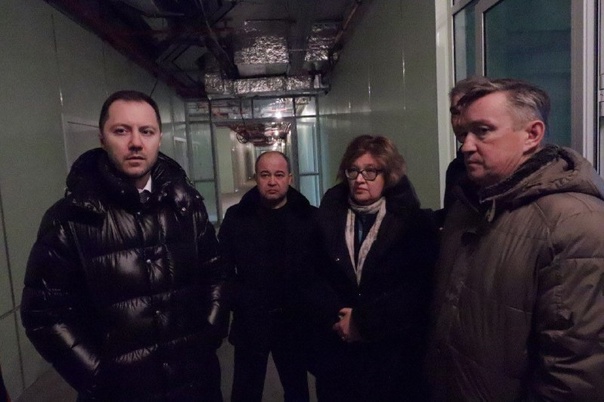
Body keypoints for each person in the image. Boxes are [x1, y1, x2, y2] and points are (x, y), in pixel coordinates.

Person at [21, 90, 230, 401]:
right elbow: (43, 314)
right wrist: (97, 376)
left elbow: (217, 274)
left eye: (146, 131)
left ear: (159, 138)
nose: (135, 142)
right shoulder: (69, 219)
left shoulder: (186, 206)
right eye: (121, 131)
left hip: (195, 384)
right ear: (102, 138)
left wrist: (209, 334)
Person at [425, 78, 604, 400]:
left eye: (483, 131)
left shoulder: (577, 225)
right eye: (464, 135)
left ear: (531, 134)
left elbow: (575, 372)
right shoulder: (469, 205)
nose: (466, 146)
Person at [309, 135, 438, 401]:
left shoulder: (412, 223)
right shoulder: (327, 217)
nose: (359, 179)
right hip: (337, 350)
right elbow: (312, 276)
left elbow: (416, 290)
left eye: (370, 171)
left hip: (391, 354)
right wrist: (337, 318)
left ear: (387, 175)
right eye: (353, 170)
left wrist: (362, 322)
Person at [218, 151, 314, 402]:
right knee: (245, 392)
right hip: (251, 320)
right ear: (256, 178)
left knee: (297, 391)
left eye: (279, 175)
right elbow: (223, 268)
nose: (272, 181)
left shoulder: (309, 218)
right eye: (265, 175)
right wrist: (238, 300)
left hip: (293, 322)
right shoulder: (237, 217)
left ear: (290, 178)